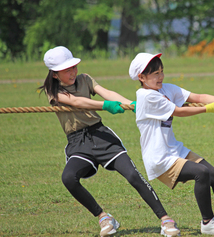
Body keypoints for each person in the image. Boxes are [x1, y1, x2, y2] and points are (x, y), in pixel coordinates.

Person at [38, 46, 180, 237]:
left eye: (73, 67)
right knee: (68, 178)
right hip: (78, 143)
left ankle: (165, 220)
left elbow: (107, 93)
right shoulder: (52, 90)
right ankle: (104, 217)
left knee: (132, 175)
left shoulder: (84, 79)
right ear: (55, 75)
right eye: (66, 70)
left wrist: (131, 104)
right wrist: (104, 105)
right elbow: (77, 102)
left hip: (100, 135)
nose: (72, 72)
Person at [129, 52, 214, 235]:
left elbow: (197, 97)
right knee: (201, 173)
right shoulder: (145, 96)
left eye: (161, 71)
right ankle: (208, 222)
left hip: (174, 150)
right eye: (155, 74)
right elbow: (178, 111)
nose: (161, 77)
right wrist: (208, 110)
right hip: (160, 158)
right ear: (141, 77)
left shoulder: (166, 89)